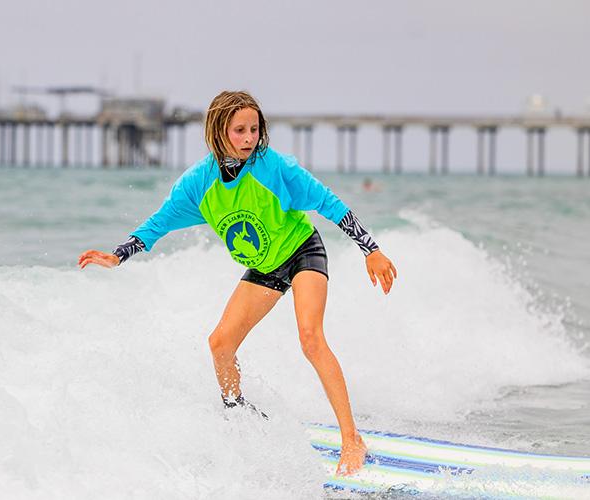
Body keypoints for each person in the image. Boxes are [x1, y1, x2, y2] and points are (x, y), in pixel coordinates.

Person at [78, 91, 397, 476]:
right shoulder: (199, 184)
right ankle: (239, 416)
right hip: (264, 268)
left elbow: (329, 203)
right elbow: (158, 223)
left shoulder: (275, 167)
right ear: (219, 132)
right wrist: (118, 254)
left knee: (310, 337)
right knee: (220, 344)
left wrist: (371, 250)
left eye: (254, 129)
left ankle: (352, 439)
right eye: (239, 130)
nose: (249, 137)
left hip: (301, 251)